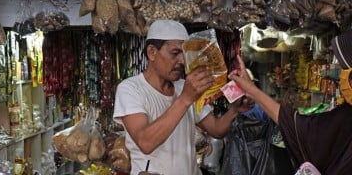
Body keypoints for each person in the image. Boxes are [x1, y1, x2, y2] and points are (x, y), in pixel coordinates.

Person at [113, 19, 250, 175]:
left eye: (185, 54)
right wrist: (185, 99)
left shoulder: (184, 87)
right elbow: (145, 142)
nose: (182, 61)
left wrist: (235, 110)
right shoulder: (130, 89)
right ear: (152, 52)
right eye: (175, 53)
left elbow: (216, 129)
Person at [228, 30, 352, 175]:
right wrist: (252, 91)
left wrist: (252, 91)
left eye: (347, 72)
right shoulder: (345, 116)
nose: (341, 77)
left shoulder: (345, 118)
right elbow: (297, 126)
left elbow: (298, 128)